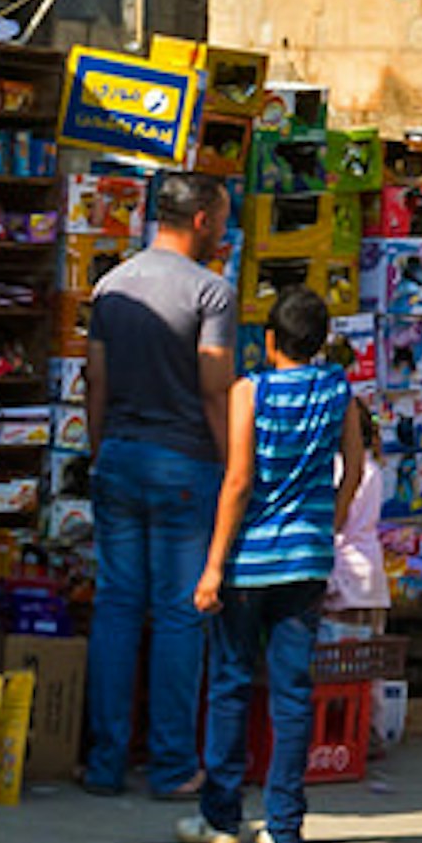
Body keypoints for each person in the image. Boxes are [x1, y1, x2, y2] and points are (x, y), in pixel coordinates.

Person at [177, 283, 371, 843]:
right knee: (292, 695)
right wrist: (327, 528)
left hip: (247, 564)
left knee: (231, 687)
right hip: (305, 563)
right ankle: (285, 828)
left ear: (268, 340)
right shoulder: (341, 392)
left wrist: (213, 567)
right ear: (319, 342)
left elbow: (237, 482)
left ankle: (221, 817)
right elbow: (355, 469)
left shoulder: (249, 392)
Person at [79, 165, 238, 804]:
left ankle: (104, 762)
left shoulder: (112, 286)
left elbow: (95, 382)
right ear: (201, 220)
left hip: (119, 455)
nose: (225, 232)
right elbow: (213, 388)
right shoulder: (211, 293)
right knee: (178, 614)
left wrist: (102, 453)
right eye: (223, 220)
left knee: (117, 607)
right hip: (183, 464)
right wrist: (235, 468)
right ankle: (172, 767)